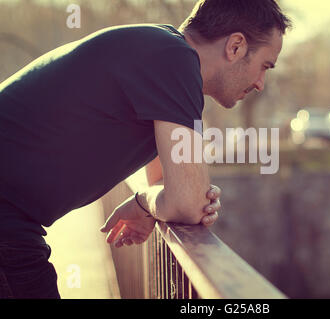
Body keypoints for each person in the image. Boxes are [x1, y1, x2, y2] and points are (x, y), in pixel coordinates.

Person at [0, 0, 290, 298]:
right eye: (264, 66)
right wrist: (146, 202)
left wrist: (169, 199)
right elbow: (187, 202)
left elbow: (171, 186)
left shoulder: (163, 57)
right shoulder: (172, 58)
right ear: (236, 46)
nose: (260, 84)